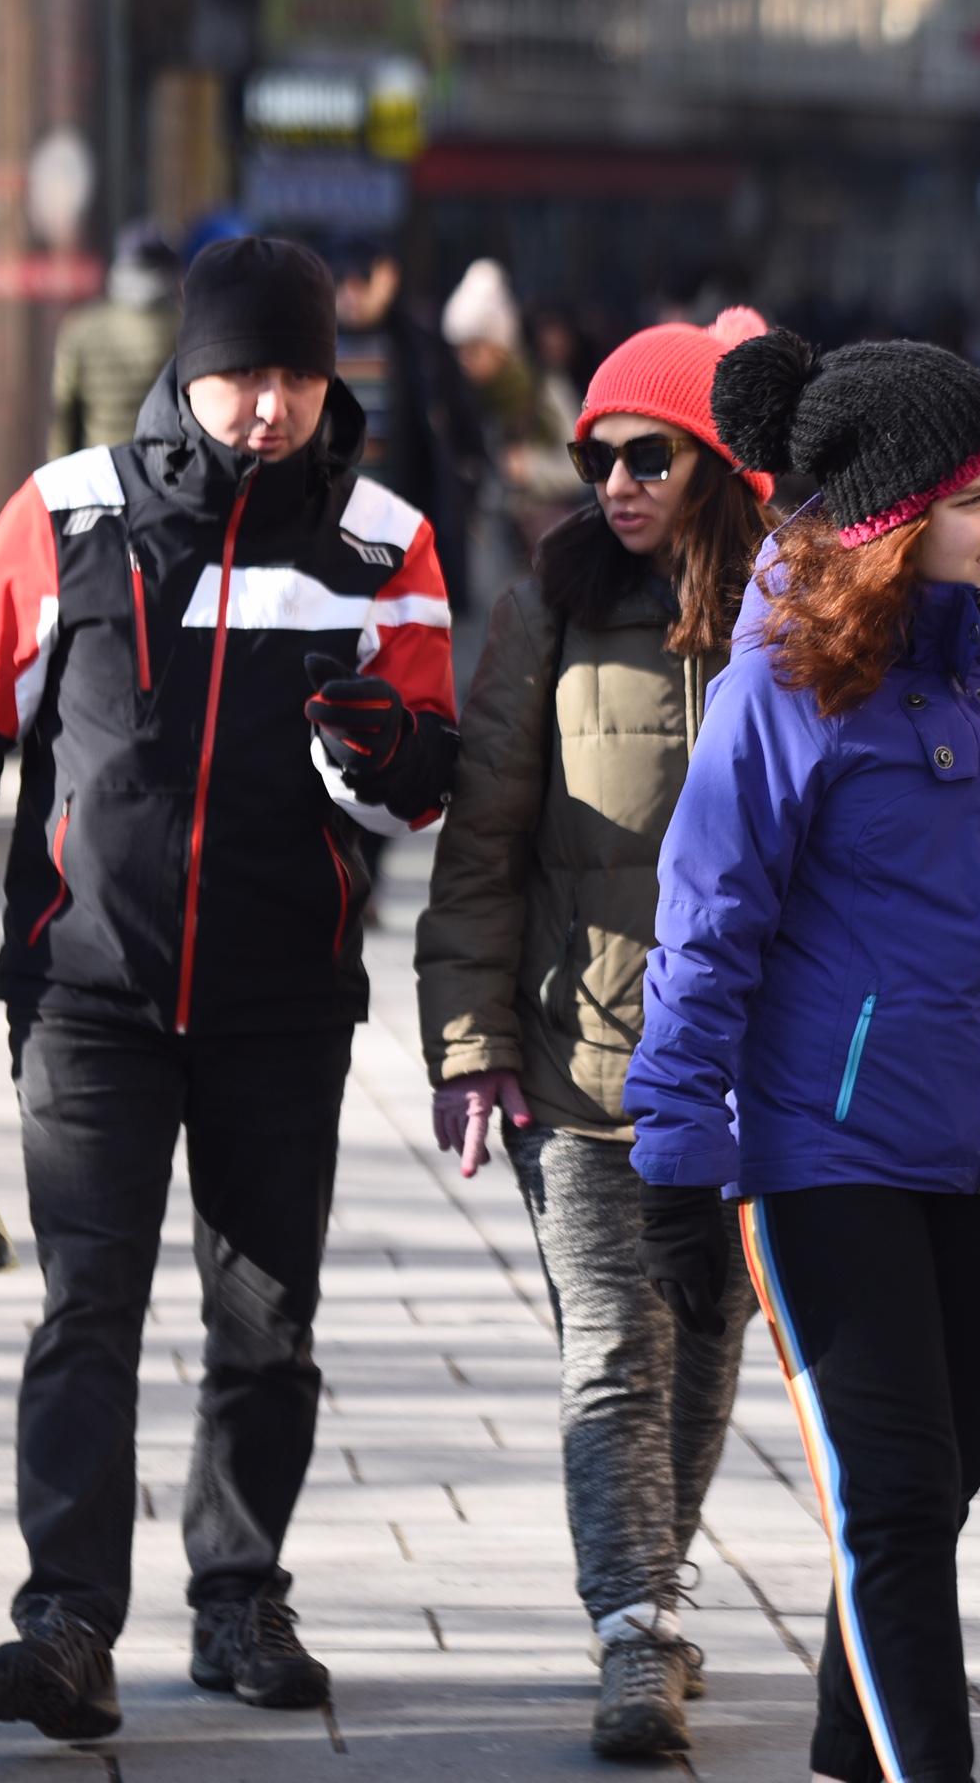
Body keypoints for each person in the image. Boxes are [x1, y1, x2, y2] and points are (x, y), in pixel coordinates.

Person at [0, 238, 458, 1742]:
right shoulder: (69, 516)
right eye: (243, 376)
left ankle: (240, 1600)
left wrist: (390, 757)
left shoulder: (384, 545)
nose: (268, 409)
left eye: (299, 379)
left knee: (267, 1321)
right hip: (90, 992)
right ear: (188, 368)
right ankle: (66, 1619)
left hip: (282, 1000)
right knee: (87, 1310)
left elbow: (427, 782)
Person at [626, 330, 980, 1783]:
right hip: (832, 1151)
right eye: (975, 496)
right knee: (895, 1496)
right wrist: (681, 1164)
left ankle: (845, 1745)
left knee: (937, 1491)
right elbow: (706, 933)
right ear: (883, 522)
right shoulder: (784, 688)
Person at [415, 307, 776, 1758]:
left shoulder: (794, 616)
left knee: (703, 1348)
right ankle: (633, 1625)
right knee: (611, 1356)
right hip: (583, 1062)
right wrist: (468, 1044)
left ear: (717, 465)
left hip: (751, 1077)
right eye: (597, 456)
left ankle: (658, 1589)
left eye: (650, 454)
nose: (617, 481)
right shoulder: (546, 612)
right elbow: (482, 851)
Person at [333, 235, 490, 622]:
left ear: (388, 278)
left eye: (361, 280)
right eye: (339, 283)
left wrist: (461, 497)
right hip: (330, 531)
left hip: (402, 529)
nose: (349, 294)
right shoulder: (314, 347)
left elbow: (463, 438)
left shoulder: (420, 349)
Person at [442, 256, 583, 563]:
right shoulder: (455, 397)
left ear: (501, 346)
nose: (465, 360)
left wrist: (530, 469)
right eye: (459, 350)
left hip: (534, 543)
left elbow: (581, 463)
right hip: (480, 546)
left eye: (475, 348)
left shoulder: (543, 389)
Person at [49, 224, 182, 459]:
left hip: (98, 470)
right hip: (162, 472)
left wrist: (60, 475)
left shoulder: (81, 327)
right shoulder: (182, 328)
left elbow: (64, 414)